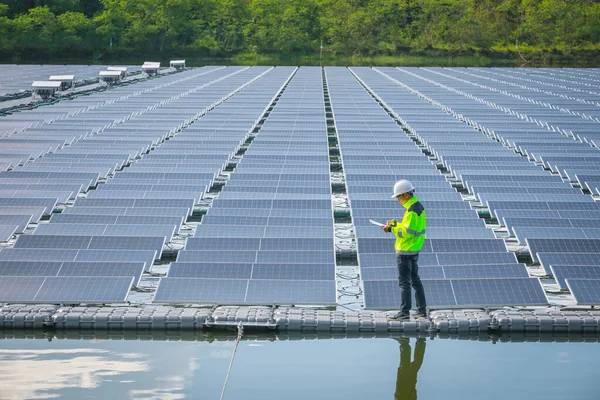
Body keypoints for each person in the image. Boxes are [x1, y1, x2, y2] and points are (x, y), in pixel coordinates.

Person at [382, 179, 427, 320]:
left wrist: (391, 229)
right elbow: (409, 227)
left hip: (406, 251)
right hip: (414, 250)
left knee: (404, 283)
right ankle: (421, 310)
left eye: (398, 196)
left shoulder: (412, 211)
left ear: (406, 195)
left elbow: (407, 232)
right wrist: (395, 224)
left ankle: (404, 313)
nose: (398, 200)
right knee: (415, 281)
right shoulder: (417, 207)